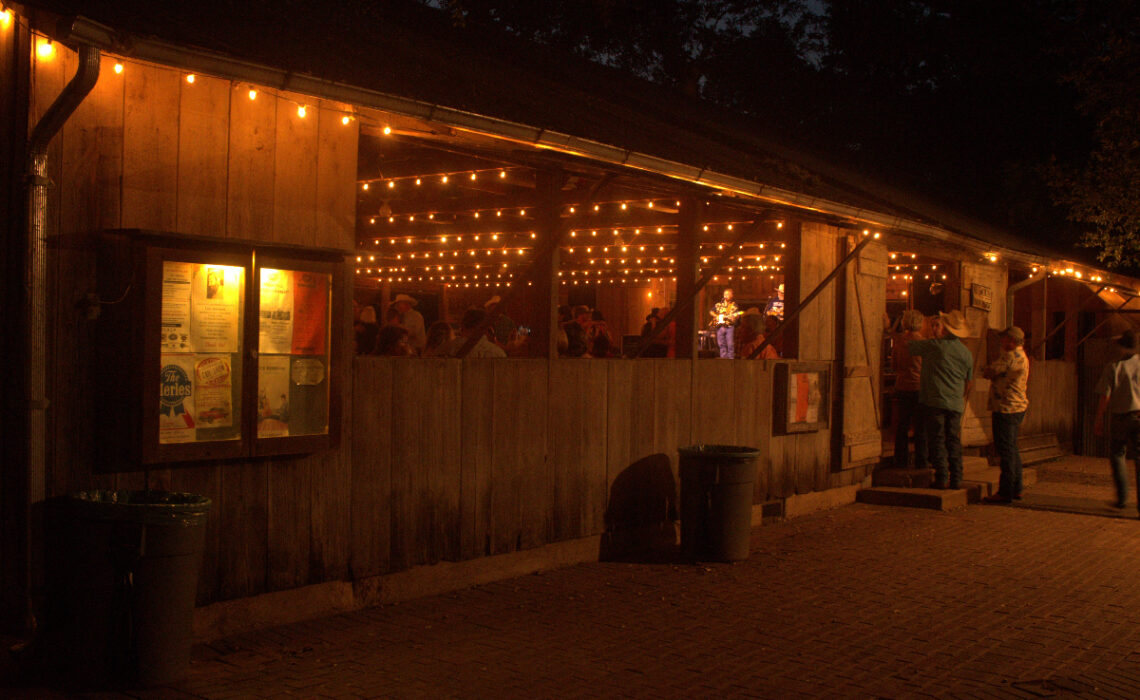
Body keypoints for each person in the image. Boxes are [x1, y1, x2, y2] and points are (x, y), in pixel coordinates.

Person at [908, 309, 974, 489]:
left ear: (946, 329)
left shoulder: (934, 345)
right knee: (953, 440)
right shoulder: (967, 353)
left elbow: (910, 346)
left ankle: (942, 477)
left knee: (937, 439)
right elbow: (969, 381)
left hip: (935, 401)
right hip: (955, 403)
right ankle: (957, 478)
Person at [981, 326, 1030, 503]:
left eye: (1004, 339)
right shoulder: (1021, 356)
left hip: (1006, 407)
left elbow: (990, 371)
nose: (1001, 342)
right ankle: (1017, 487)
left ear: (1012, 340)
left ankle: (1005, 491)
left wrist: (987, 369)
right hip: (1015, 407)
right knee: (1012, 449)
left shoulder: (1010, 356)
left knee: (1006, 450)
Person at [1094, 329, 1140, 510]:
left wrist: (1099, 419)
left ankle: (1122, 497)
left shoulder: (1113, 367)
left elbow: (1105, 396)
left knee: (1117, 454)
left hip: (1120, 417)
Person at [892, 310, 928, 471]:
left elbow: (894, 366)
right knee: (921, 427)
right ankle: (921, 461)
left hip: (902, 386)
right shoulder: (924, 344)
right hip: (919, 387)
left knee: (902, 425)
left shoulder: (899, 342)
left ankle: (900, 460)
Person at [710, 288, 741, 358]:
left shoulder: (734, 305)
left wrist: (735, 317)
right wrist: (716, 316)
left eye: (727, 294)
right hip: (720, 326)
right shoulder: (719, 304)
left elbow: (737, 315)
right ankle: (723, 358)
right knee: (721, 344)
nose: (725, 295)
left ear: (731, 296)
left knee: (730, 344)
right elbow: (711, 311)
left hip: (729, 326)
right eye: (725, 294)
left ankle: (731, 359)